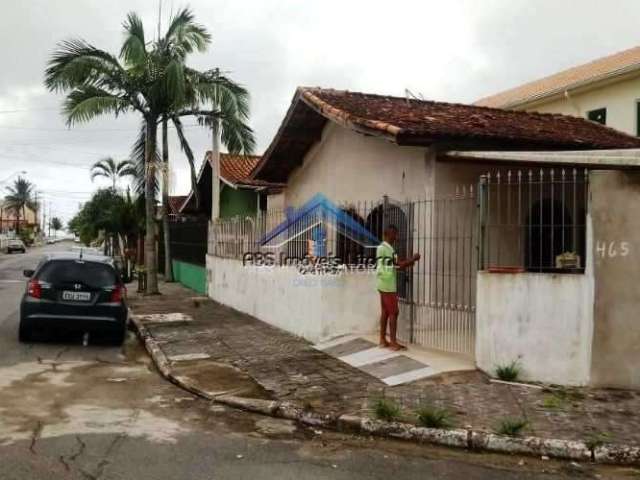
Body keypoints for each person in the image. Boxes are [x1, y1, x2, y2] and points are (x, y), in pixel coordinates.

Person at [376, 225, 420, 350]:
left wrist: (409, 262)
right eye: (394, 234)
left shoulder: (388, 248)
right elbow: (396, 265)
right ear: (388, 234)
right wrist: (412, 258)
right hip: (387, 284)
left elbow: (398, 264)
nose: (396, 236)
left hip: (384, 283)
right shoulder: (383, 249)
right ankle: (393, 342)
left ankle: (383, 340)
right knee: (394, 312)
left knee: (385, 312)